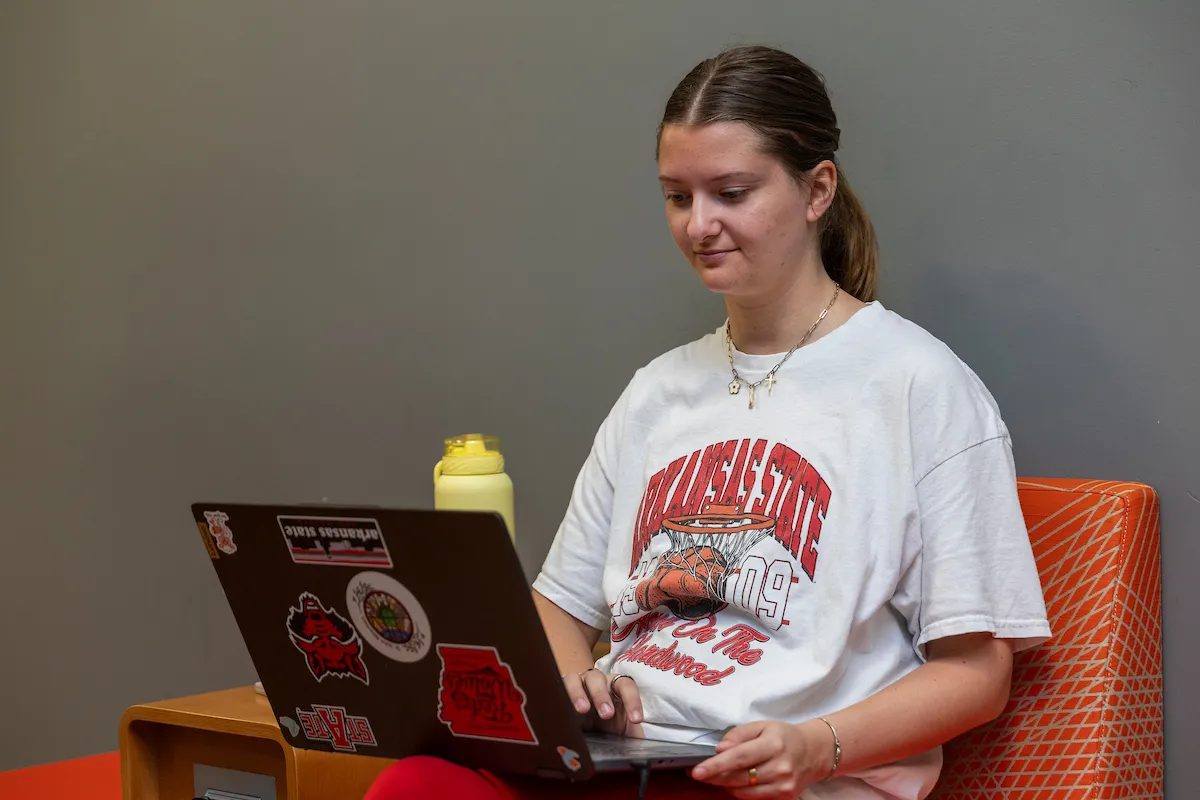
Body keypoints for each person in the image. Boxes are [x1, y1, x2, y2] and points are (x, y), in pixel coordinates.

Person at [366, 44, 1050, 800]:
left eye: (731, 192)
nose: (699, 226)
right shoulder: (656, 392)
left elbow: (979, 673)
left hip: (777, 780)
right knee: (416, 782)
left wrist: (817, 746)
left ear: (817, 189)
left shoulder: (921, 386)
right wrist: (575, 690)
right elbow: (557, 611)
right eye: (677, 197)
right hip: (627, 767)